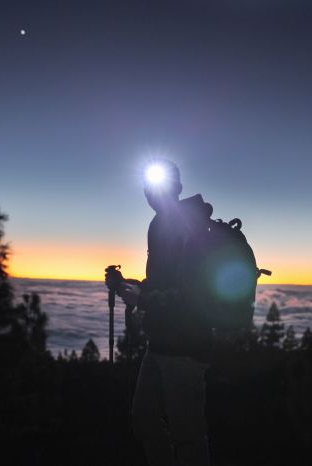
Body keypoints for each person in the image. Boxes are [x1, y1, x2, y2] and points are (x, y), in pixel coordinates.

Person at [107, 158, 213, 466]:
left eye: (160, 186)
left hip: (186, 347)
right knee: (144, 420)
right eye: (148, 187)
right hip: (161, 343)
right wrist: (126, 285)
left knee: (187, 435)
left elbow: (193, 292)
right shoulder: (160, 224)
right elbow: (160, 284)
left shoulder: (187, 226)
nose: (151, 193)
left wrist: (145, 298)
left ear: (177, 189)